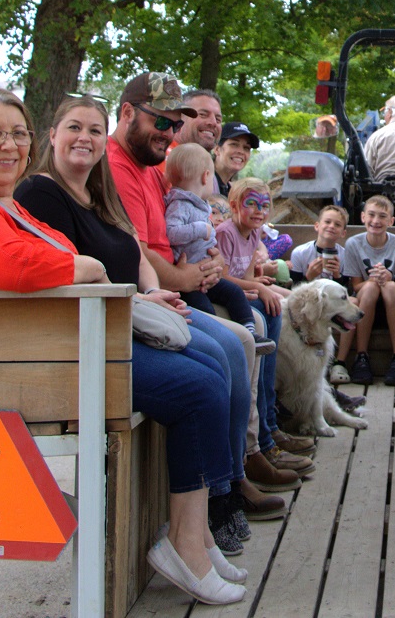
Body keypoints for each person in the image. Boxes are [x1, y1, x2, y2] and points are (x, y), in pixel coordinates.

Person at [0, 86, 247, 605]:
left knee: (207, 372)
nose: (8, 145)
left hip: (54, 353)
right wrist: (87, 268)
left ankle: (194, 535)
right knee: (199, 389)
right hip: (29, 370)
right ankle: (187, 540)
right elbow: (13, 265)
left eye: (17, 134)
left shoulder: (1, 206)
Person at [105, 72, 303, 506]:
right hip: (138, 304)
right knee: (233, 344)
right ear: (126, 114)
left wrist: (208, 263)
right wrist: (191, 277)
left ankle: (247, 457)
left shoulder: (152, 167)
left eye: (175, 126)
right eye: (163, 122)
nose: (169, 134)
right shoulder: (117, 168)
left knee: (246, 332)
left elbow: (179, 233)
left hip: (168, 288)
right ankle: (229, 483)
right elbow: (140, 250)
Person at [216, 177, 310, 478]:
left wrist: (259, 281)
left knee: (273, 312)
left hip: (241, 293)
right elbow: (224, 278)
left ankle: (270, 424)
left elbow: (245, 274)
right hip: (221, 296)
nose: (259, 211)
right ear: (234, 206)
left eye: (265, 205)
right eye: (251, 204)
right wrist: (258, 286)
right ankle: (264, 438)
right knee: (267, 309)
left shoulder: (253, 232)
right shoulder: (226, 233)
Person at [163, 142, 267, 350]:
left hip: (206, 273)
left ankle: (250, 330)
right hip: (190, 279)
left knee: (234, 293)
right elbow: (173, 233)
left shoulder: (198, 204)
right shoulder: (179, 204)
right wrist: (201, 228)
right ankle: (216, 339)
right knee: (205, 310)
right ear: (205, 177)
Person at [339, 195, 395, 384]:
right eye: (371, 215)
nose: (376, 221)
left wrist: (390, 277)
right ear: (363, 217)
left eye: (382, 216)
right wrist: (373, 280)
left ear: (391, 221)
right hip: (365, 302)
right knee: (372, 286)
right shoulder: (354, 244)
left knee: (388, 286)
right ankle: (361, 356)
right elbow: (356, 285)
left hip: (393, 302)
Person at [213, 121, 258, 198]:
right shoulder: (203, 182)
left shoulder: (230, 190)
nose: (241, 151)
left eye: (246, 148)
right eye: (234, 144)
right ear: (217, 149)